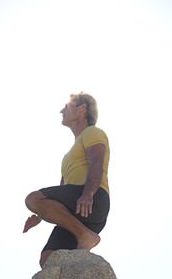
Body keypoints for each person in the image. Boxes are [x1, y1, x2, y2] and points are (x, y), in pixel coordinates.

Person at [23, 93, 110, 268]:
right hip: (76, 211)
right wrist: (41, 214)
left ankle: (85, 236)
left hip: (93, 199)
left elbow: (96, 163)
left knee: (32, 198)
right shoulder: (68, 156)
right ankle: (84, 236)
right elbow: (62, 191)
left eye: (67, 106)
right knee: (48, 259)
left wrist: (88, 194)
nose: (62, 110)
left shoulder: (93, 133)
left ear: (82, 109)